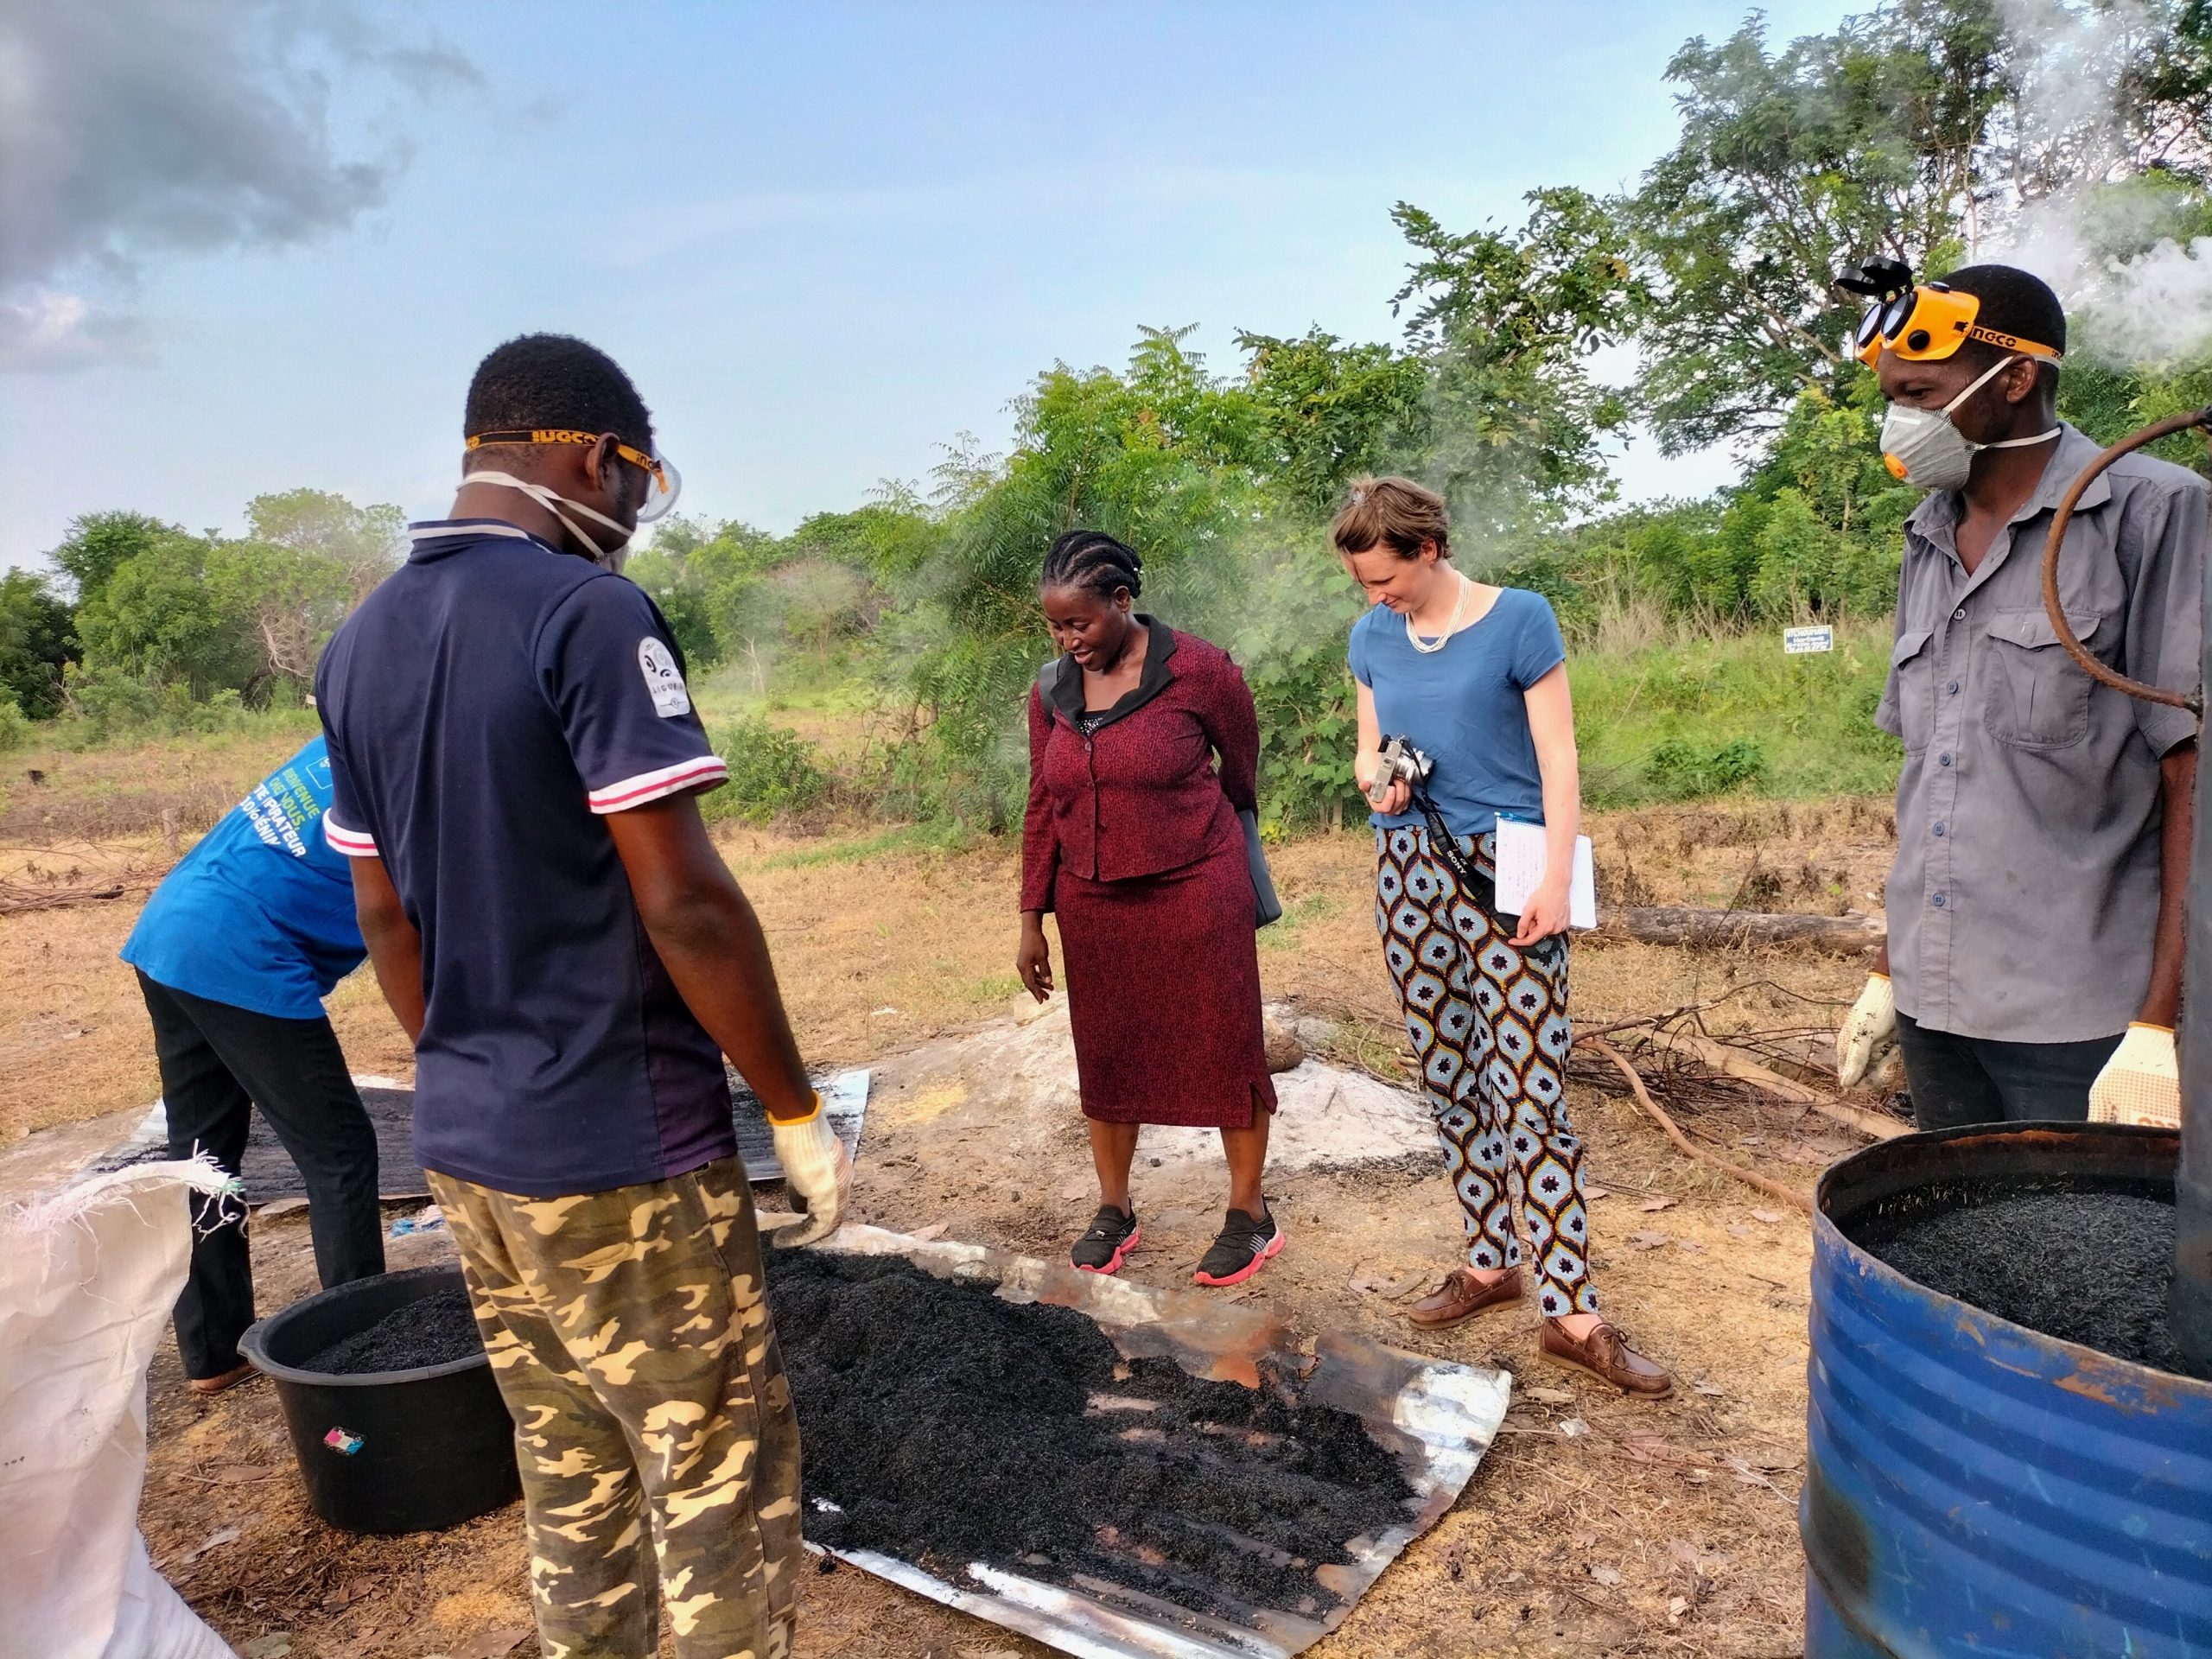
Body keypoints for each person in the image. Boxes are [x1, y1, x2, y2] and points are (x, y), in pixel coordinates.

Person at [316, 334, 849, 1659]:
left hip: (469, 1147)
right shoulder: (586, 614)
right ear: (598, 459)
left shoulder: (359, 643)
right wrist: (790, 1110)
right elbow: (687, 903)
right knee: (715, 1479)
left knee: (571, 1469)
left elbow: (382, 916)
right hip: (622, 1147)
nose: (631, 518)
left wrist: (473, 1062)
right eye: (638, 485)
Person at [1833, 264, 2204, 1129]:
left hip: (2081, 1014)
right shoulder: (1928, 535)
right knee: (1956, 1218)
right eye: (1892, 398)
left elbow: (2193, 777)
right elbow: (1936, 778)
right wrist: (1892, 966)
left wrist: (2158, 1021)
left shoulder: (2152, 513)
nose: (1900, 422)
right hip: (1935, 1004)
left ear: (2016, 379)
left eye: (1921, 394)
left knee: (2078, 1222)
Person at [1337, 476, 1671, 1396]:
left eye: (1384, 579)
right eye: (1362, 584)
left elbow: (1559, 756)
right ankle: (1490, 1262)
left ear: (1427, 549)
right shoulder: (1371, 638)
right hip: (1408, 872)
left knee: (1529, 1087)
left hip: (1509, 868)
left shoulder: (1521, 618)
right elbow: (1368, 745)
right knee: (1448, 1075)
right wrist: (1376, 779)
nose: (1375, 597)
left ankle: (1572, 1312)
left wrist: (1558, 878)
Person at [1016, 529, 1281, 1286]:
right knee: (1107, 1050)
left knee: (1225, 1042)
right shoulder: (1051, 691)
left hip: (1197, 888)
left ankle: (1249, 1214)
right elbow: (1043, 802)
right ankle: (1114, 1209)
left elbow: (1240, 773)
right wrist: (1031, 917)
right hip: (1093, 901)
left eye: (1079, 623)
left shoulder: (1201, 670)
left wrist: (1197, 837)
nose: (1067, 641)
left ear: (1123, 601)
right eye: (1055, 627)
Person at [119, 734, 385, 1395]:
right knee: (340, 1153)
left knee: (203, 1154)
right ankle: (362, 1355)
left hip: (174, 924)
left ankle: (214, 1352)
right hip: (243, 951)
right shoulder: (420, 772)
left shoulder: (345, 733)